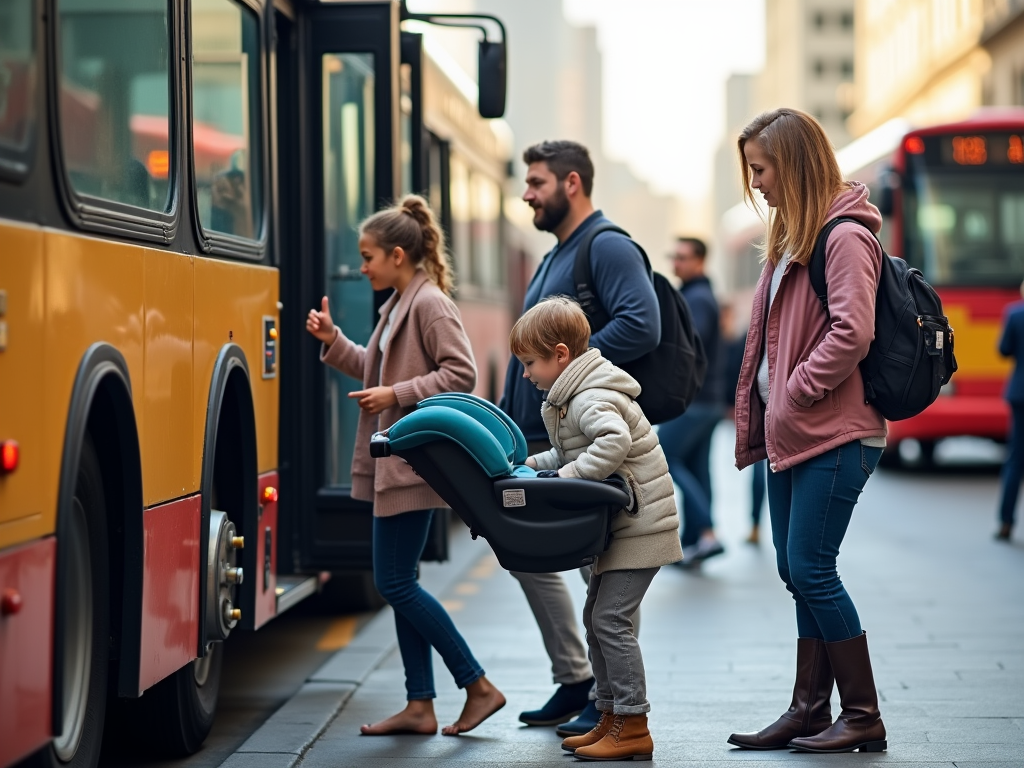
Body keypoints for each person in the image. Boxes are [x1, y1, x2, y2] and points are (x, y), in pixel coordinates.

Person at [306, 195, 505, 737]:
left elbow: (460, 373)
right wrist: (335, 343)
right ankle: (420, 705)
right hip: (396, 462)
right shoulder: (399, 302)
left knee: (394, 582)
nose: (361, 265)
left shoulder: (429, 303)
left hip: (413, 464)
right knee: (400, 580)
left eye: (368, 255)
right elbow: (377, 373)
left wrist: (397, 392)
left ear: (398, 254)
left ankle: (477, 685)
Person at [728, 108, 889, 754]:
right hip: (795, 435)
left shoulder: (844, 236)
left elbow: (854, 328)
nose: (758, 183)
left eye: (762, 169)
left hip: (835, 432)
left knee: (812, 567)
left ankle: (863, 714)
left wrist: (793, 392)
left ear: (791, 164)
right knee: (797, 570)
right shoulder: (795, 235)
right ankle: (808, 708)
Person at [498, 140, 661, 734]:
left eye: (536, 182)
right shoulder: (556, 252)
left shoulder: (606, 244)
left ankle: (611, 704)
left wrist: (569, 382)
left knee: (605, 591)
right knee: (558, 573)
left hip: (590, 442)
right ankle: (582, 685)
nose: (527, 193)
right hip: (558, 441)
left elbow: (642, 323)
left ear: (571, 183)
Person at [511, 297, 681, 761]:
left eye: (530, 363)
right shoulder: (576, 394)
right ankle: (610, 717)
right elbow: (567, 454)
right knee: (595, 618)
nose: (526, 374)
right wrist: (530, 466)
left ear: (560, 355)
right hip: (623, 525)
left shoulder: (589, 397)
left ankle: (633, 723)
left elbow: (613, 441)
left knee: (611, 620)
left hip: (642, 525)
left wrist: (565, 478)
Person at [658, 237, 726, 567]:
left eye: (682, 258)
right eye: (675, 256)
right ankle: (696, 541)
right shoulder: (700, 295)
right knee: (698, 469)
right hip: (707, 400)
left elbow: (686, 350)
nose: (676, 264)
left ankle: (708, 533)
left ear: (699, 261)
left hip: (693, 400)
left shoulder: (696, 299)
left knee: (664, 456)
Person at [995, 283, 1024, 542]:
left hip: (1020, 393)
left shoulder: (1014, 313)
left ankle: (1006, 522)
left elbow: (1004, 350)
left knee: (1015, 460)